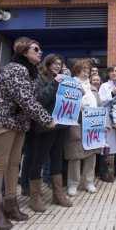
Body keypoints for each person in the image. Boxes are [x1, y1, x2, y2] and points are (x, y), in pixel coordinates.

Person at [0, 38, 55, 229]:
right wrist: (46, 119)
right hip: (5, 121)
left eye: (40, 49)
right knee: (0, 163)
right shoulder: (15, 69)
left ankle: (10, 203)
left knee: (14, 164)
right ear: (24, 52)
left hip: (20, 124)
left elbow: (34, 98)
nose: (40, 52)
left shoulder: (30, 73)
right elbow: (25, 99)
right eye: (36, 49)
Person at [28, 54, 73, 212]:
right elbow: (40, 100)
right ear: (47, 64)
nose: (57, 66)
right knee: (38, 160)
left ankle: (58, 194)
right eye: (54, 63)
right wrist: (55, 82)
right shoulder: (40, 79)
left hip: (61, 124)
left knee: (57, 159)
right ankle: (34, 198)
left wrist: (77, 90)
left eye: (60, 64)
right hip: (45, 125)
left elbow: (69, 99)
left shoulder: (61, 79)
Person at [66, 60, 103, 196]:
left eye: (88, 71)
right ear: (77, 71)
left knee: (91, 154)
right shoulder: (71, 85)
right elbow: (66, 103)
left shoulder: (93, 88)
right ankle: (73, 184)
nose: (86, 74)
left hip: (92, 124)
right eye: (83, 71)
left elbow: (100, 105)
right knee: (75, 155)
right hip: (77, 123)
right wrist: (77, 105)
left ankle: (88, 182)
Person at [99, 65, 116, 179]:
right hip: (108, 118)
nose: (114, 73)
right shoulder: (104, 86)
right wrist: (113, 93)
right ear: (108, 73)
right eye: (112, 71)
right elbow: (102, 101)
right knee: (107, 144)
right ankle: (105, 171)